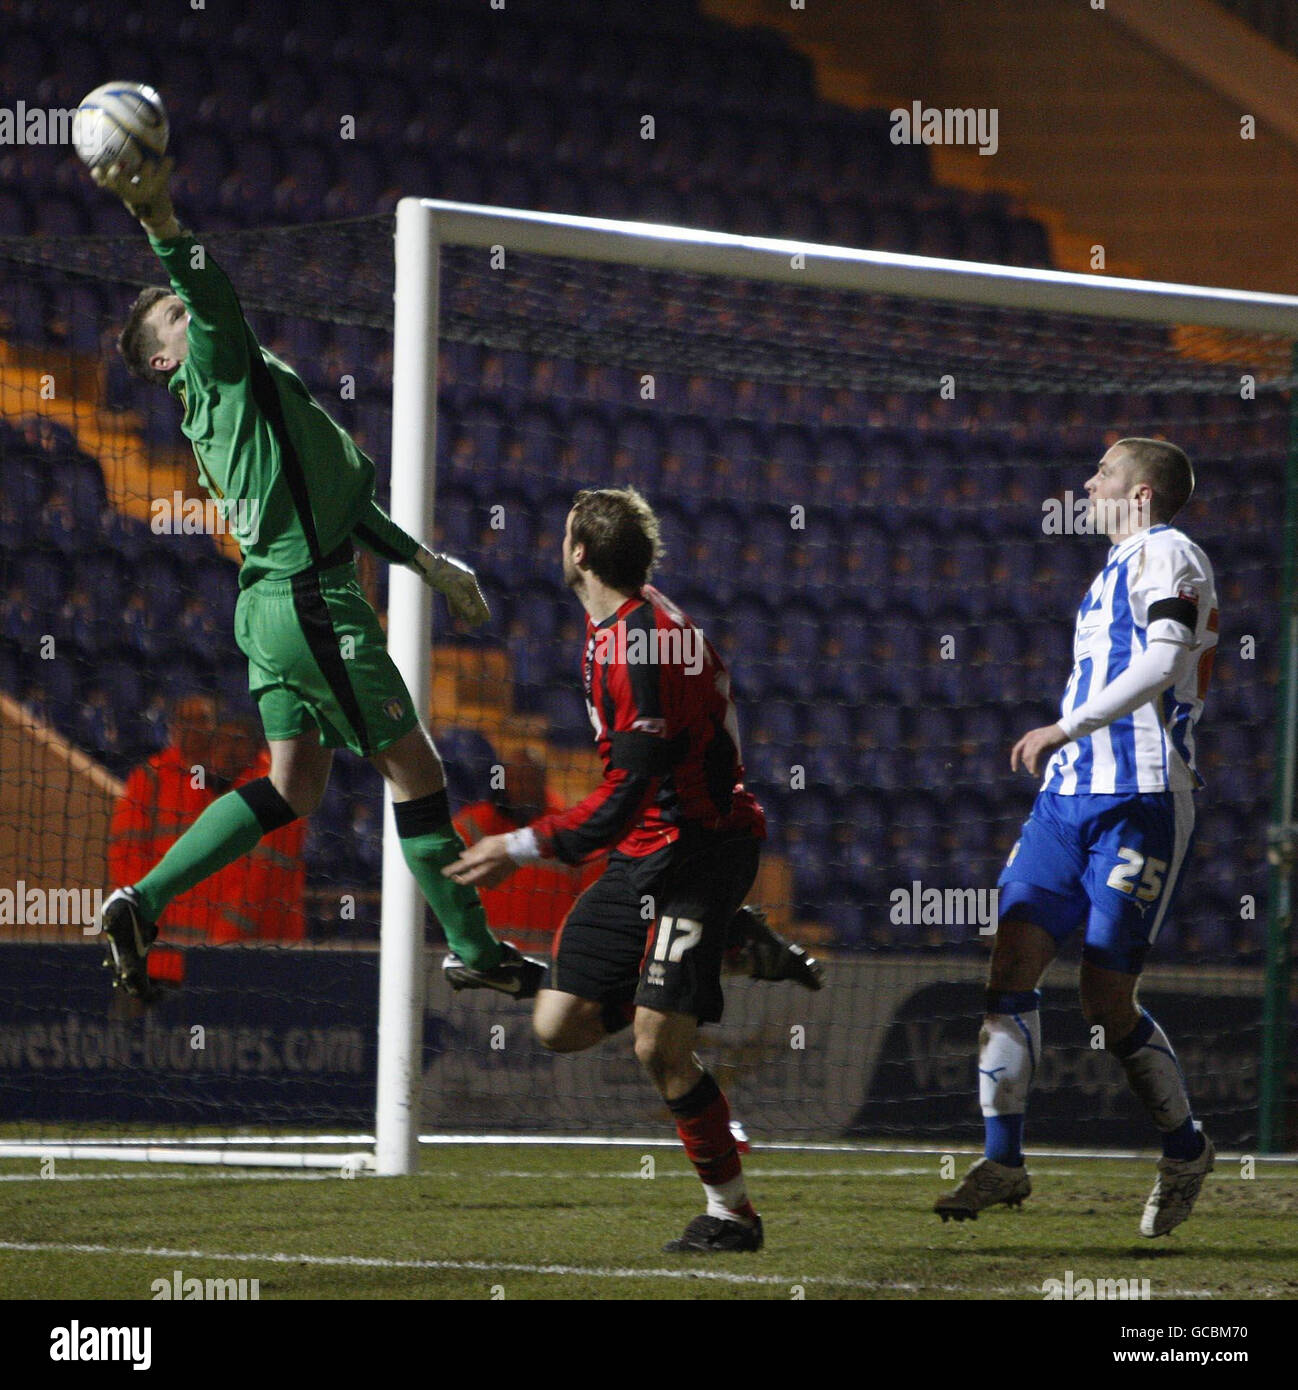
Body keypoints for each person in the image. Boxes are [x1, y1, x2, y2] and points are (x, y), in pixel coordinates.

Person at [88, 156, 542, 1001]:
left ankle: (140, 902)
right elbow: (211, 290)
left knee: (292, 784)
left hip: (270, 604)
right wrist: (159, 219)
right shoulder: (219, 370)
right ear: (163, 365)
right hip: (311, 600)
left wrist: (427, 566)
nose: (195, 318)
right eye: (177, 319)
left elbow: (333, 503)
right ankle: (476, 952)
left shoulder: (231, 404)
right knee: (419, 771)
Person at [446, 487, 821, 1254]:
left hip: (700, 851)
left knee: (659, 1046)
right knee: (557, 1026)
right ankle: (728, 949)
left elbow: (621, 802)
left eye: (563, 536)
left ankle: (732, 1217)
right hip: (646, 849)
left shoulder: (644, 648)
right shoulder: (619, 624)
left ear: (579, 553)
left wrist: (518, 847)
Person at [935, 438, 1218, 1237]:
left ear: (1142, 490)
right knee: (1011, 958)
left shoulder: (1171, 554)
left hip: (1141, 798)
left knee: (1105, 996)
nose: (1087, 484)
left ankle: (1186, 1147)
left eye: (1103, 473)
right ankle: (1004, 1162)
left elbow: (1164, 660)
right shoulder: (1113, 570)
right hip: (1067, 801)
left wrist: (1064, 726)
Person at [108, 697, 306, 943]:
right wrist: (143, 916)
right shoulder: (152, 778)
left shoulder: (259, 785)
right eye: (185, 721)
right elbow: (127, 855)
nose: (193, 729)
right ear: (171, 727)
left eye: (202, 720)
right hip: (173, 939)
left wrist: (222, 940)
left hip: (255, 943)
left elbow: (261, 878)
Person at [453, 748, 605, 953]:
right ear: (502, 782)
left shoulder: (567, 832)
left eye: (529, 779)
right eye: (515, 779)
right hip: (486, 953)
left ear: (543, 783)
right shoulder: (474, 825)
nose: (522, 788)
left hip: (550, 956)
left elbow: (593, 898)